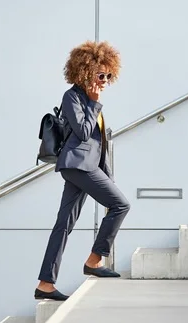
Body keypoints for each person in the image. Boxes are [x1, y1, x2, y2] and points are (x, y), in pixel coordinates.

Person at [35, 40, 131, 301]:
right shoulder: (73, 97)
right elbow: (83, 132)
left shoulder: (89, 100)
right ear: (85, 71)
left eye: (108, 75)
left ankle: (45, 284)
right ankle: (94, 260)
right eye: (101, 75)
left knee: (63, 225)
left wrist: (106, 174)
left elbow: (99, 144)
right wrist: (94, 103)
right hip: (77, 166)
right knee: (121, 205)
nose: (104, 80)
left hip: (85, 167)